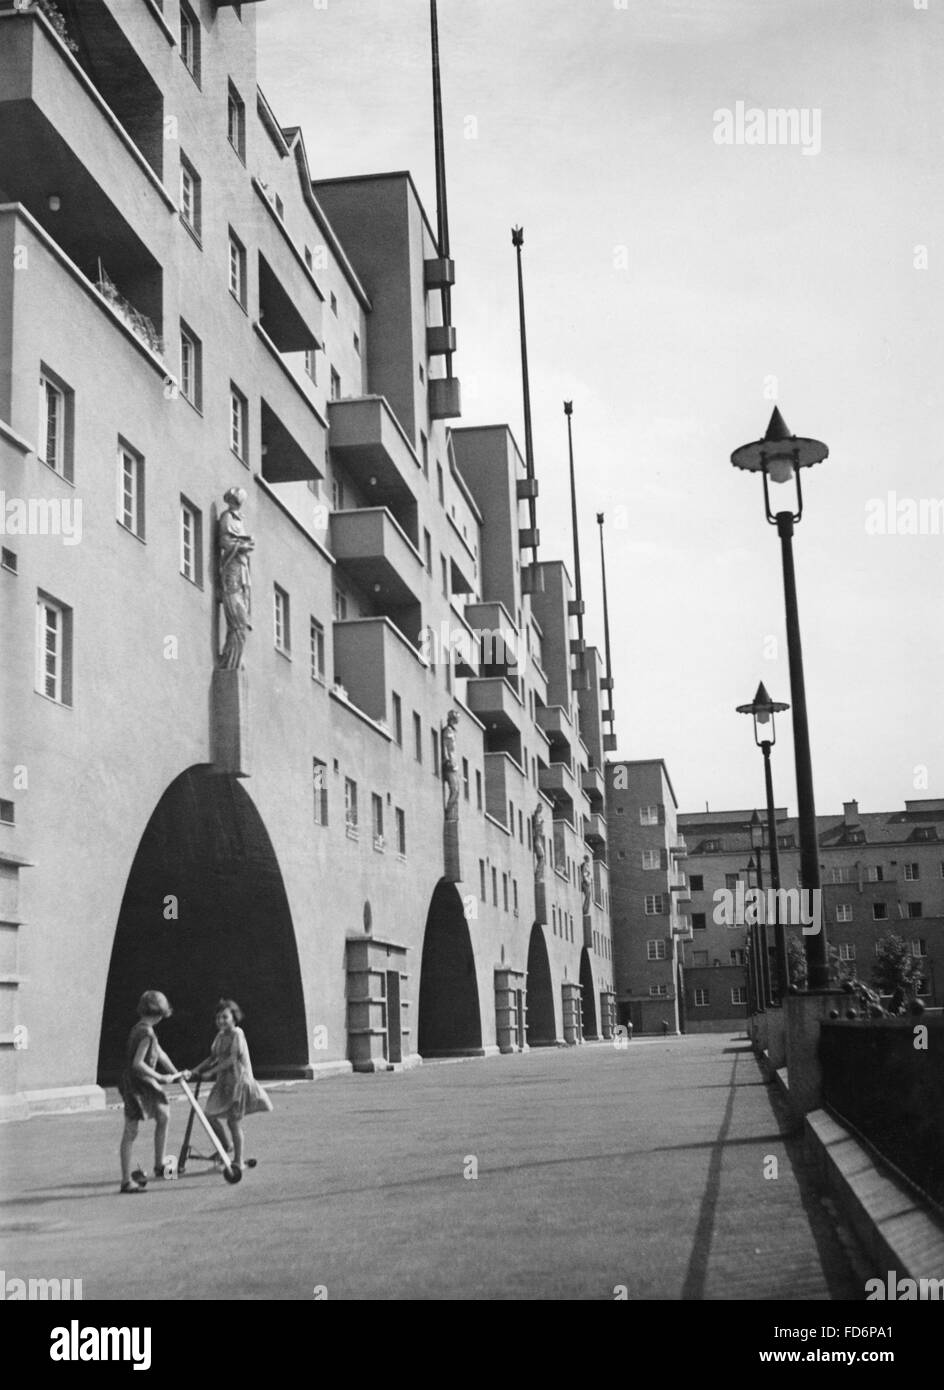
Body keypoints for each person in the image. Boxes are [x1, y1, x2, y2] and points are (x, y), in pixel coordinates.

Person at [185, 1000, 272, 1173]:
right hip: (224, 1083)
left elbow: (232, 1059)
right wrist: (194, 1071)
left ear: (234, 1017)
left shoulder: (237, 1034)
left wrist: (211, 1072)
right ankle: (226, 1146)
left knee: (233, 1122)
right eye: (218, 1018)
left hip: (239, 1083)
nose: (221, 1021)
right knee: (208, 1115)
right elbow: (212, 1058)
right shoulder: (220, 1036)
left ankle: (238, 1161)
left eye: (225, 1017)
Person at [117, 990, 180, 1194]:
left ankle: (160, 1164)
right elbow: (138, 1064)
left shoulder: (142, 1028)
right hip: (138, 1085)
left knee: (163, 1114)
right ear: (160, 1012)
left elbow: (160, 1054)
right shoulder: (146, 1032)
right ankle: (126, 1181)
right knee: (131, 1131)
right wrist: (161, 1077)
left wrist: (175, 1073)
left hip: (142, 1084)